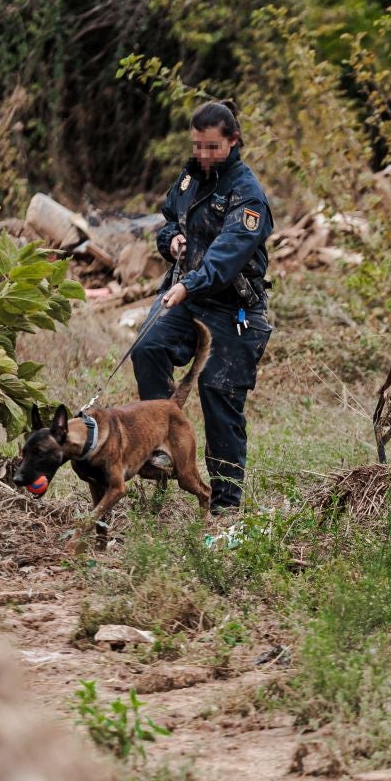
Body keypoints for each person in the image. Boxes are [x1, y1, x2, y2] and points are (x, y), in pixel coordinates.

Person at [131, 99, 274, 511]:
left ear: (233, 141)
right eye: (198, 145)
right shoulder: (191, 176)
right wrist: (172, 239)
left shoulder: (247, 195)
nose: (204, 154)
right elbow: (171, 219)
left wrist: (191, 284)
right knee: (148, 348)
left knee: (219, 396)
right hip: (186, 295)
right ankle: (160, 442)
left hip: (234, 310)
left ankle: (225, 507)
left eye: (212, 146)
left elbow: (226, 256)